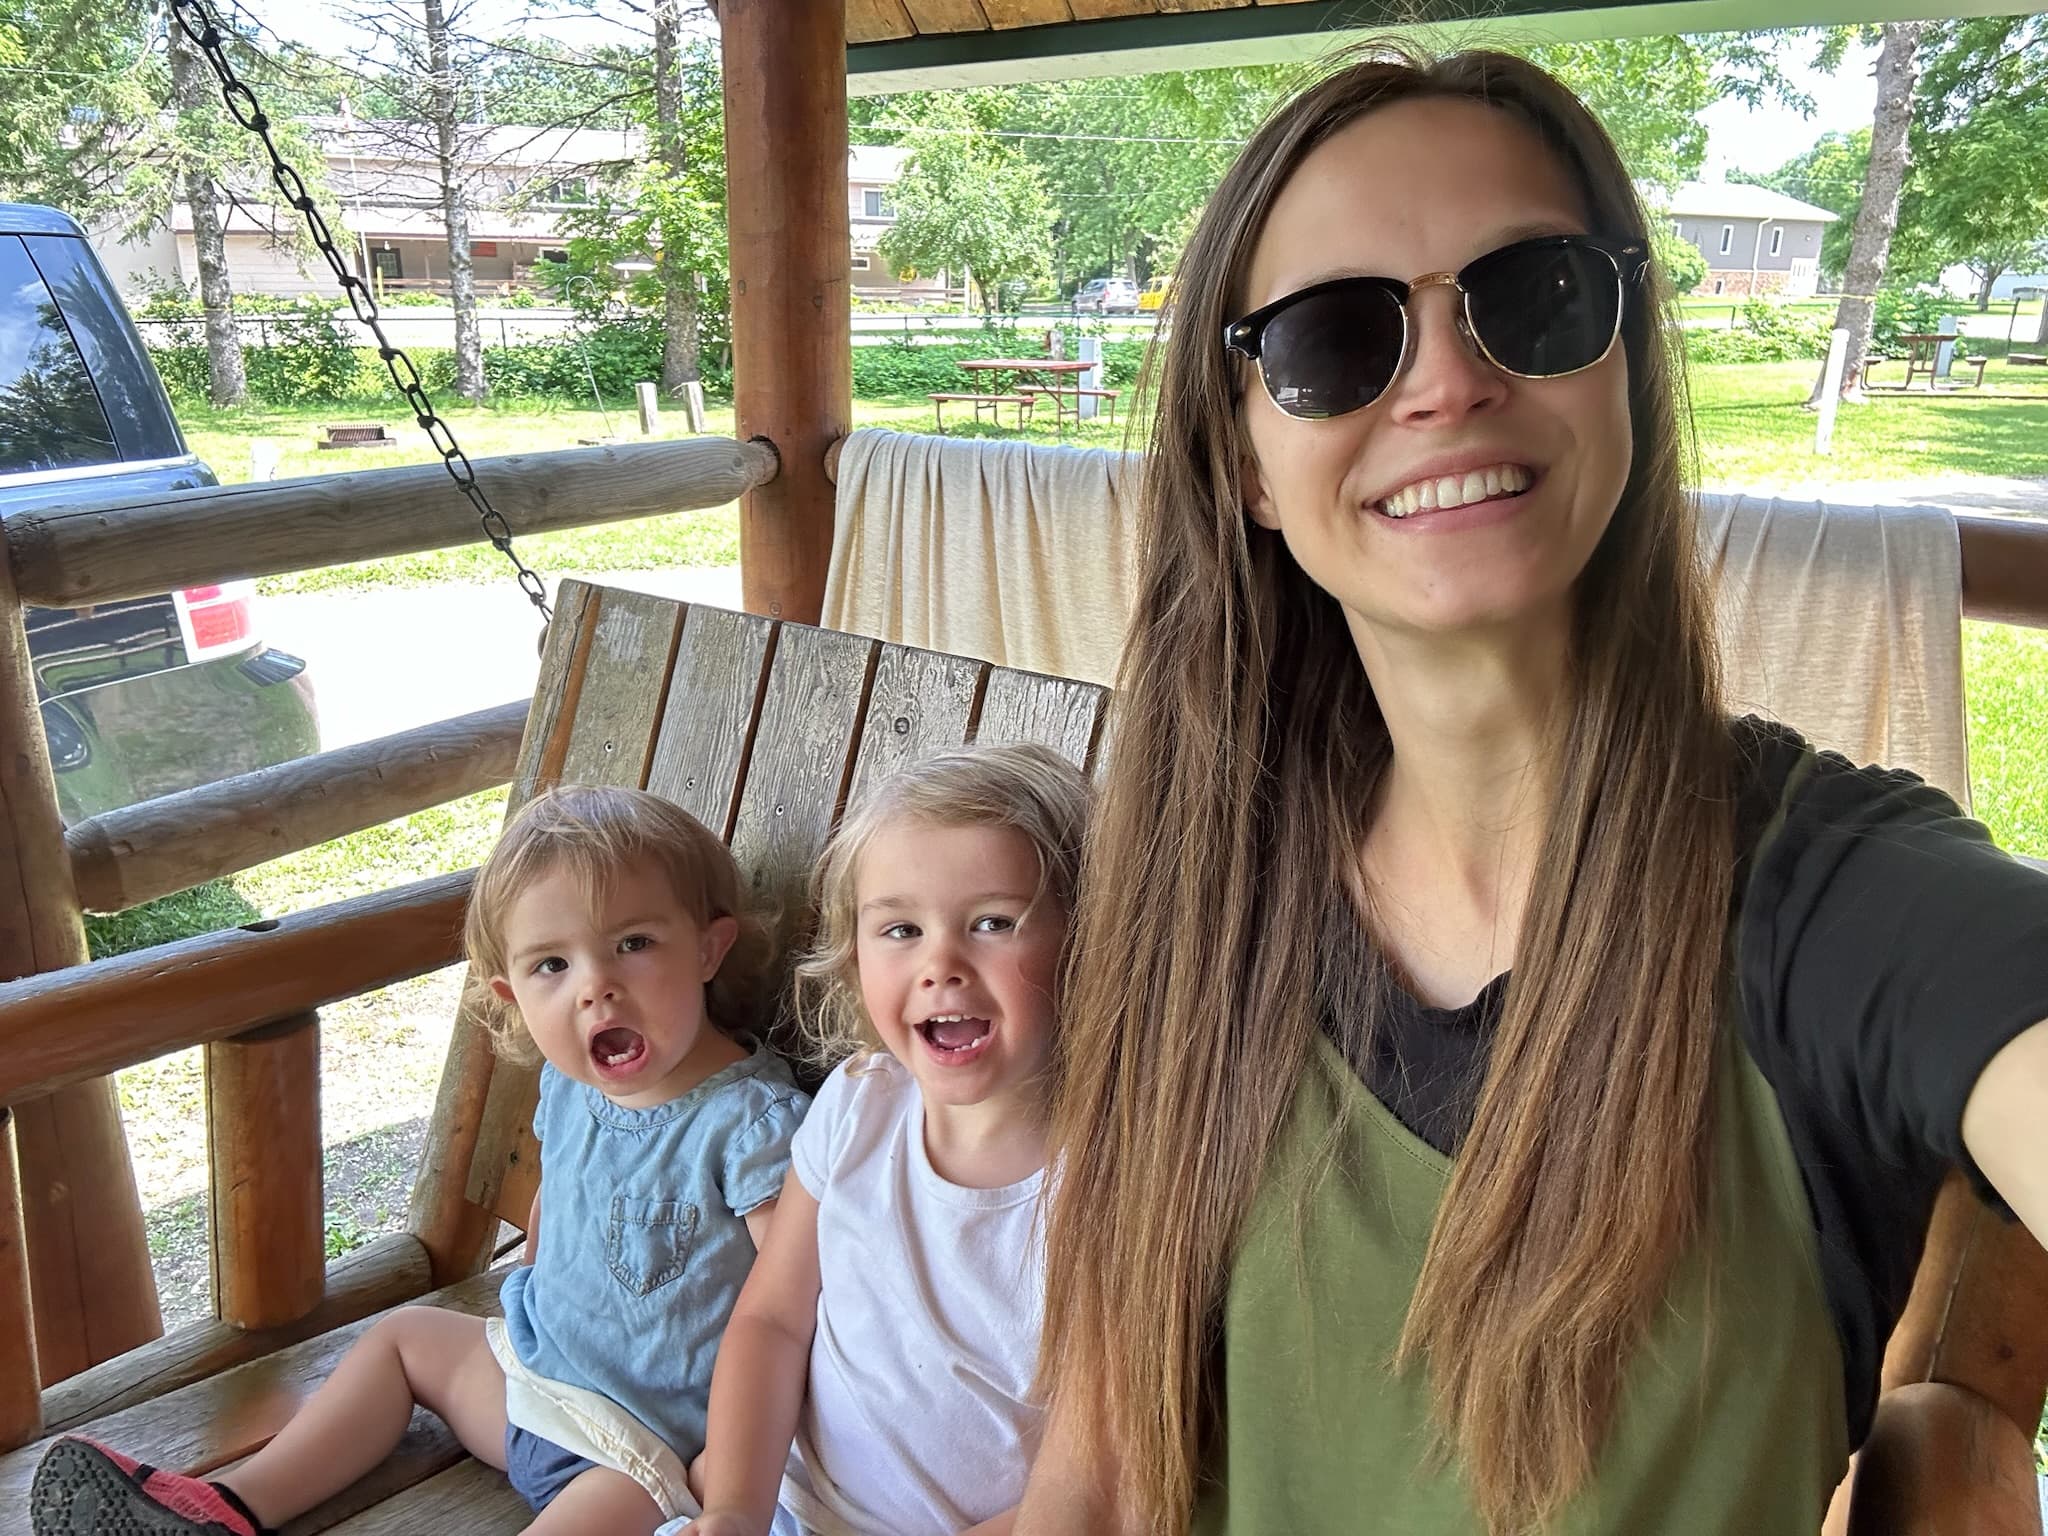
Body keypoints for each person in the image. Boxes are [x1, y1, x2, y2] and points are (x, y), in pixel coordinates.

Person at [1011, 44, 2048, 1536]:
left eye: (1536, 295)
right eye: (1333, 339)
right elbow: (1099, 1491)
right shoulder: (1194, 902)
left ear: (1624, 359)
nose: (1445, 378)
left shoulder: (1825, 900)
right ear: (1244, 458)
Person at [31, 785, 809, 1536]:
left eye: (633, 945)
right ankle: (225, 1506)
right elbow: (560, 1202)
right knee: (402, 1338)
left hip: (638, 1454)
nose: (596, 989)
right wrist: (526, 1305)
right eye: (552, 966)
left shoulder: (749, 1126)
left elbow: (796, 1307)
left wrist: (728, 1474)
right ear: (511, 995)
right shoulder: (571, 1084)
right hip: (526, 1378)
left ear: (709, 947)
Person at [682, 743, 1091, 1536]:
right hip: (792, 1514)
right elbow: (771, 1322)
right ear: (853, 954)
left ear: (1090, 944)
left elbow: (1097, 1483)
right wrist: (733, 1510)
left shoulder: (1109, 1182)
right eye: (901, 929)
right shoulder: (859, 1109)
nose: (941, 963)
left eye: (992, 923)